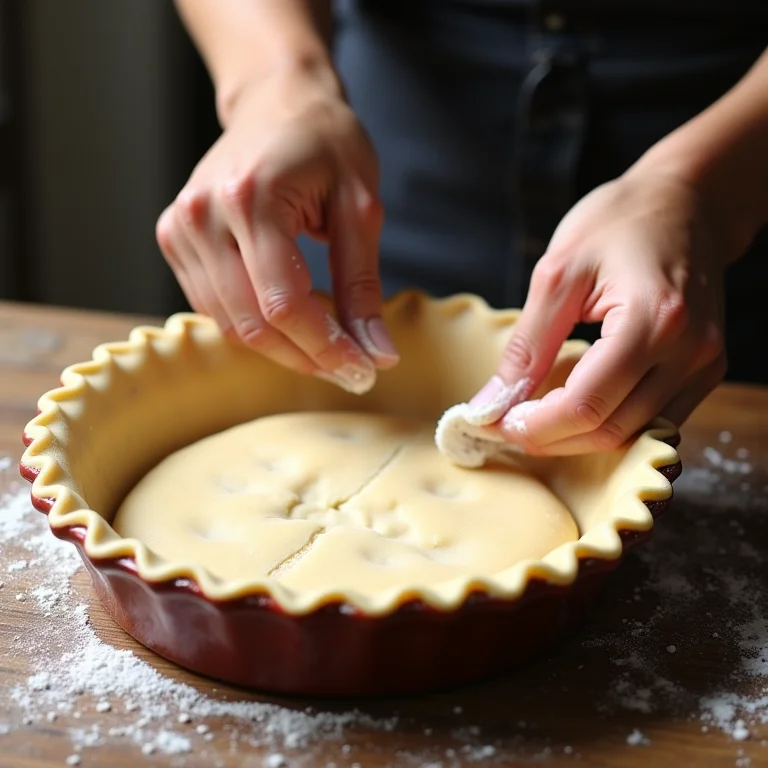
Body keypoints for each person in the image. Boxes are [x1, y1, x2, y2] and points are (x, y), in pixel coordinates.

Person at [158, 0, 768, 456]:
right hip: (371, 194)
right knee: (314, 337)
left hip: (728, 217)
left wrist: (706, 191)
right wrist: (276, 81)